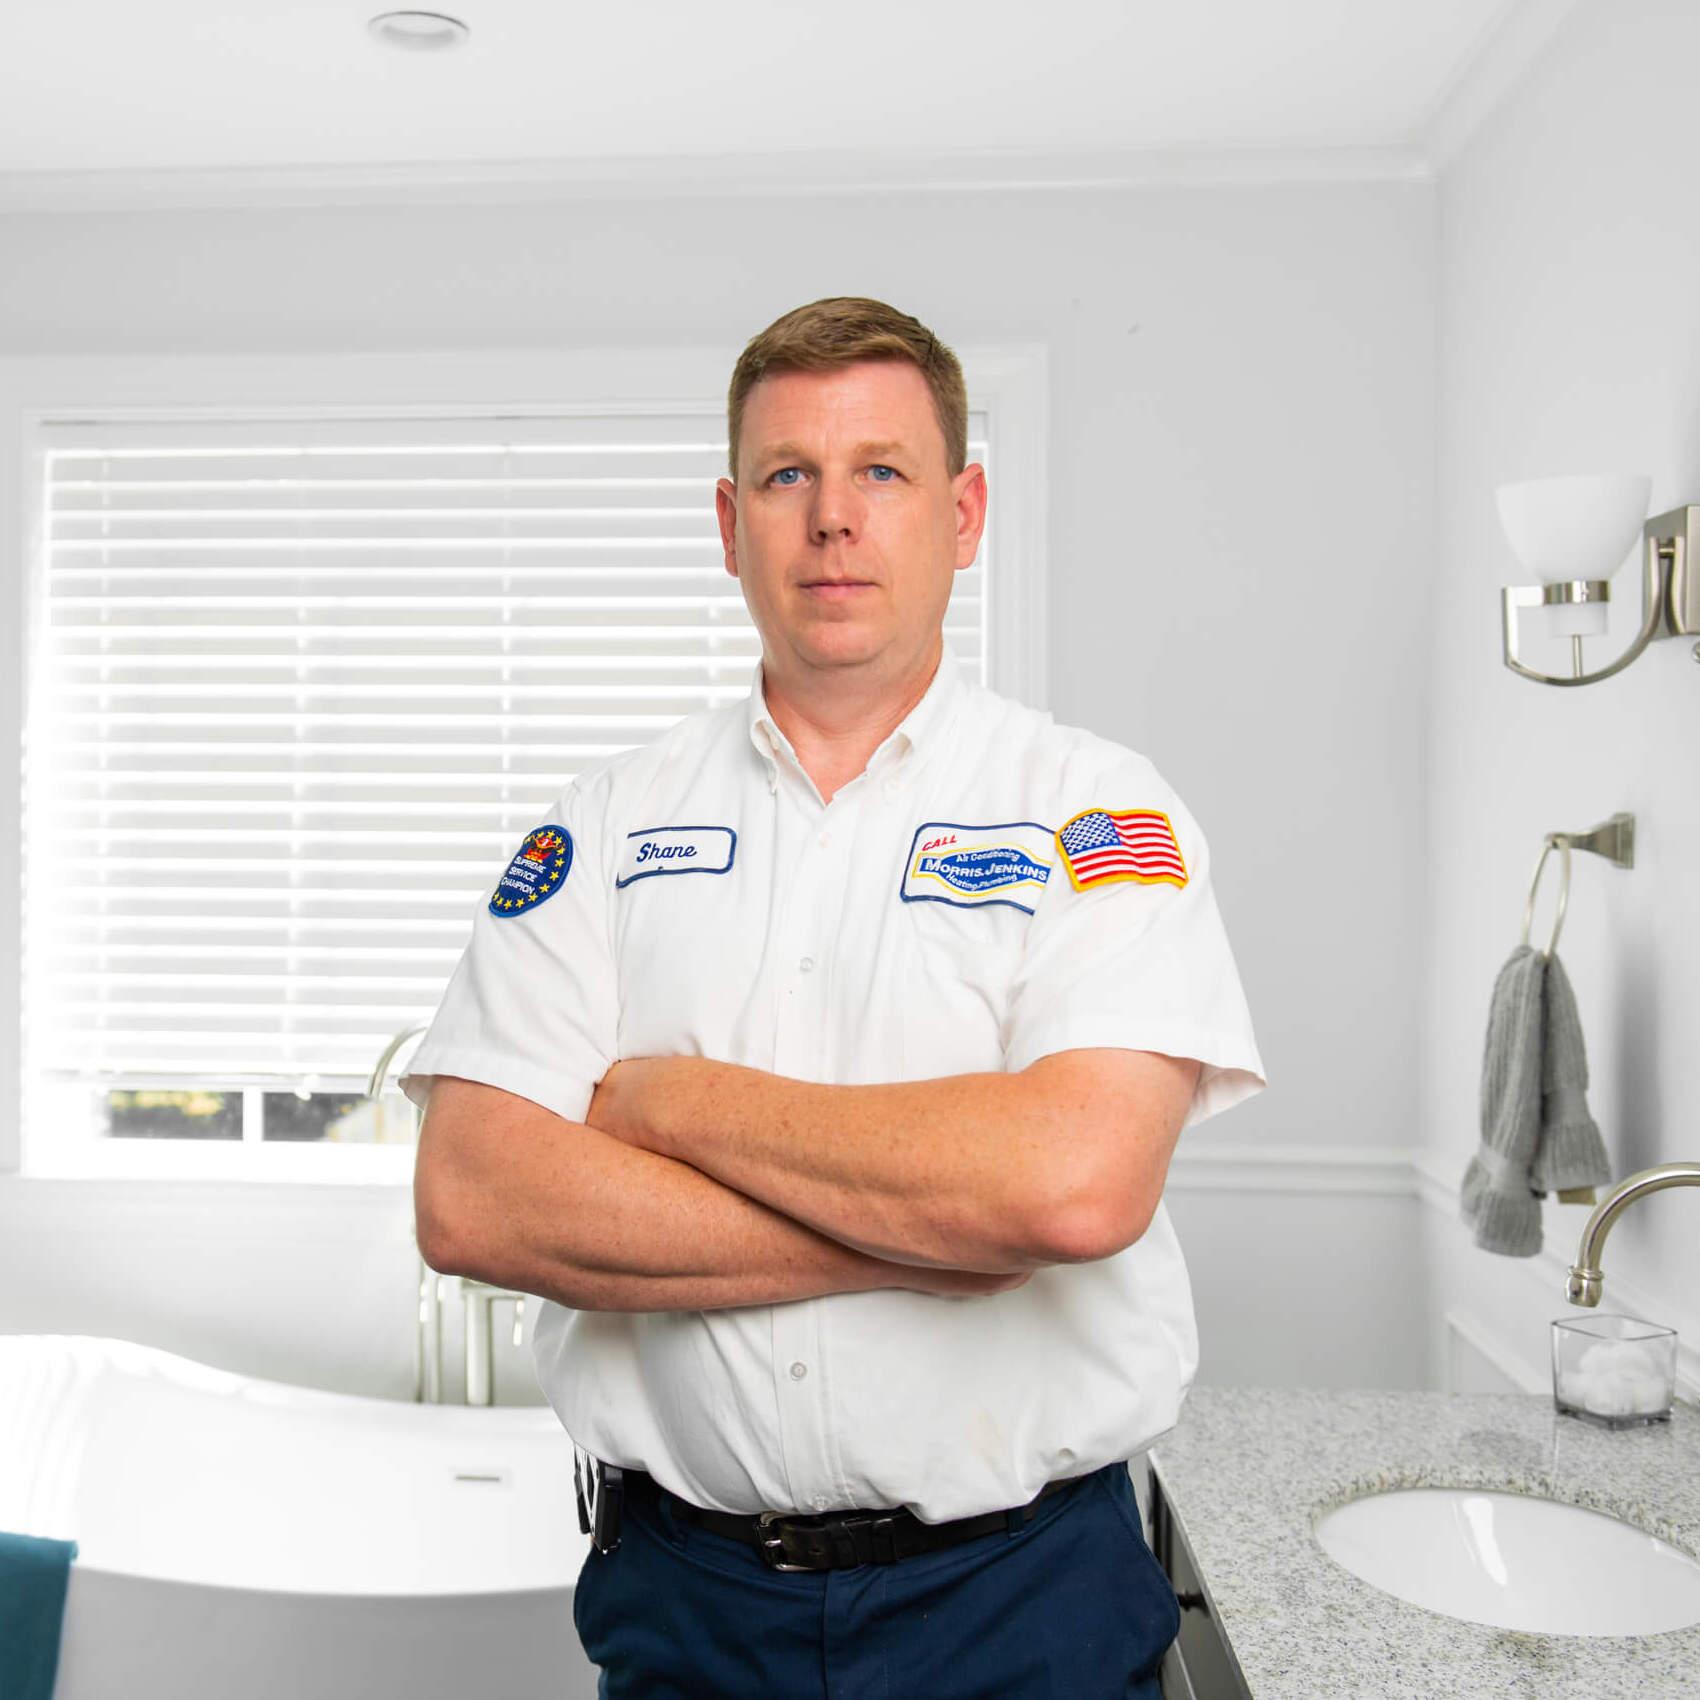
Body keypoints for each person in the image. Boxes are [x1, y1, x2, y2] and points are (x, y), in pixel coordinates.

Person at [402, 296, 1264, 1699]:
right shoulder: (605, 827)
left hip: (1020, 1601)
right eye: (789, 475)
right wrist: (940, 1234)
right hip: (687, 1607)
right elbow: (474, 1201)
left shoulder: (1095, 809)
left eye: (882, 470)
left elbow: (1070, 1192)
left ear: (965, 510)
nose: (832, 519)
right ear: (731, 521)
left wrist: (667, 1102)